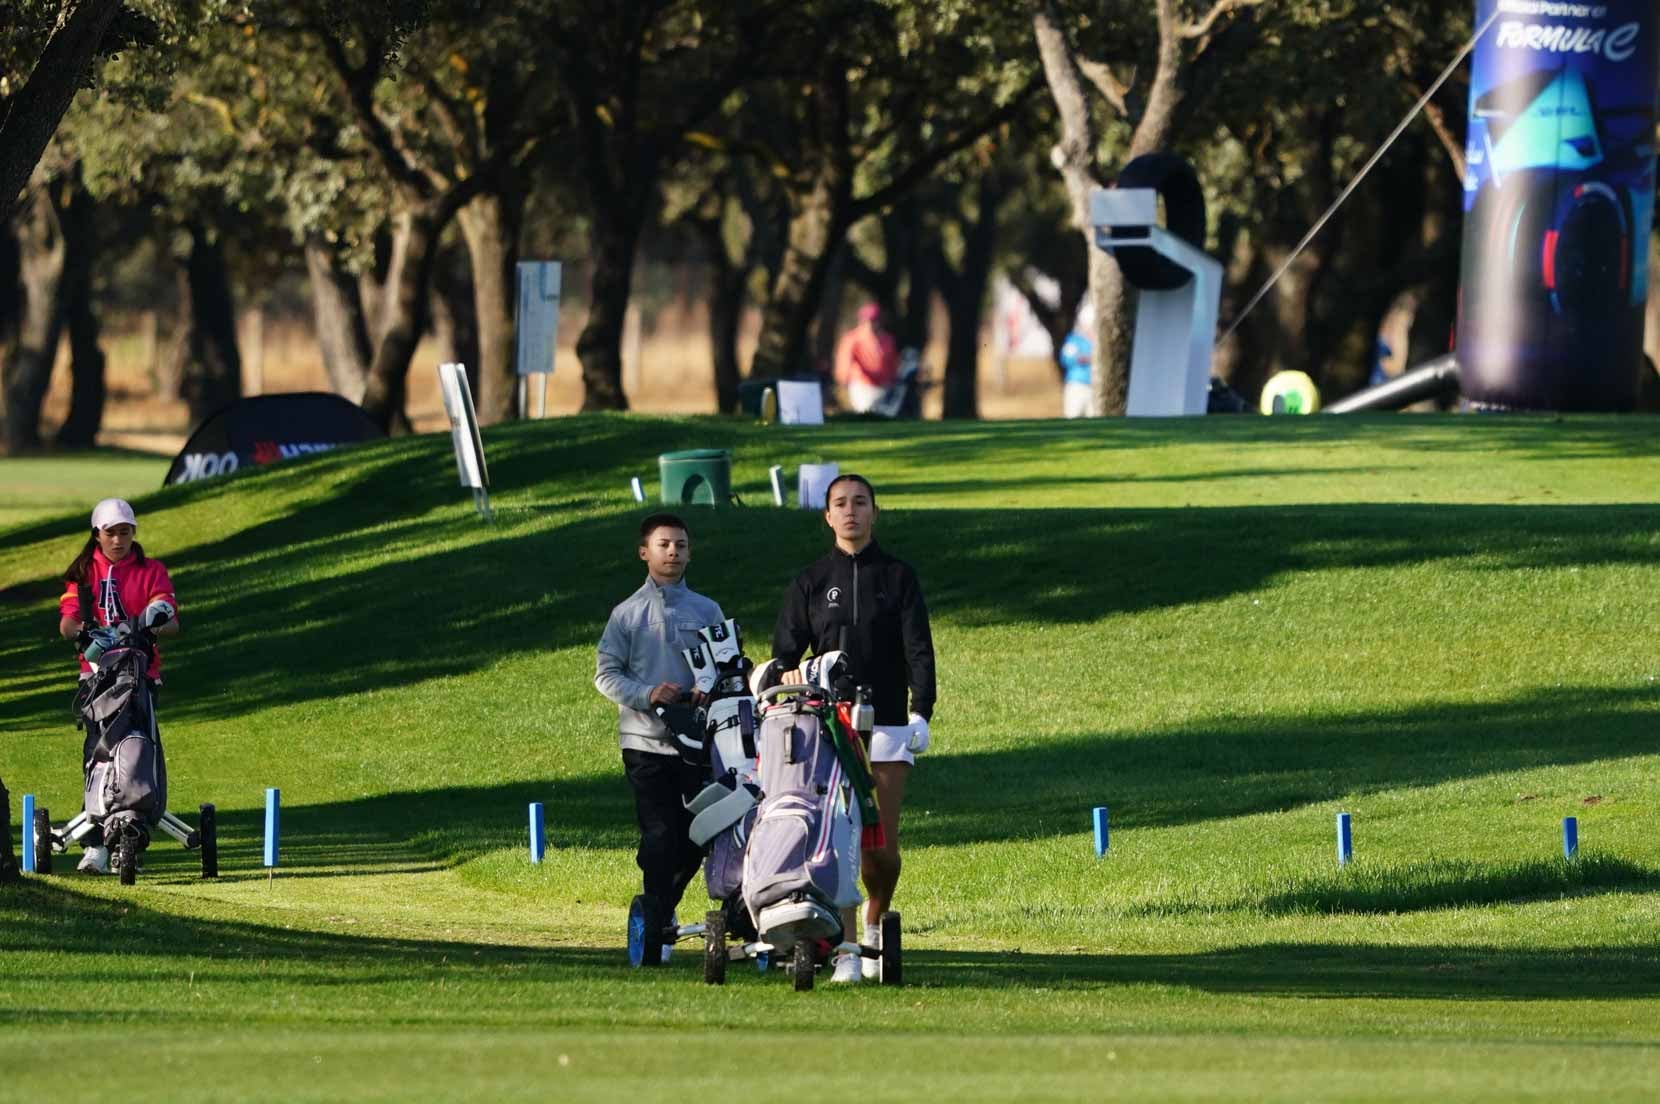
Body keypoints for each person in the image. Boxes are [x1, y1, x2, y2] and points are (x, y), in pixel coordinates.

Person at [772, 473, 935, 983]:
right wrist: (788, 674)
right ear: (827, 516)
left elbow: (918, 650)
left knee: (879, 846)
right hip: (826, 727)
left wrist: (920, 712)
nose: (851, 511)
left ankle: (872, 919)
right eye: (840, 504)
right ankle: (844, 950)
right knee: (836, 839)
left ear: (874, 512)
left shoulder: (899, 577)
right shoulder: (812, 581)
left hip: (886, 723)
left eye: (860, 503)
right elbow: (782, 657)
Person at [595, 513, 726, 962]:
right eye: (665, 545)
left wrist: (710, 689)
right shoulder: (626, 615)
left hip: (699, 745)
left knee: (699, 833)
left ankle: (659, 913)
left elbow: (726, 666)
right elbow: (606, 675)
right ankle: (655, 925)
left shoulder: (707, 610)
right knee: (659, 835)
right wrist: (648, 693)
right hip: (645, 743)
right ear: (644, 553)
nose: (673, 552)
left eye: (682, 545)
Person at [56, 498, 180, 874]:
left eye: (125, 532)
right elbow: (67, 622)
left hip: (142, 676)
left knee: (140, 755)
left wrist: (150, 622)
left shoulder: (152, 570)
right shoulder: (82, 574)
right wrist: (82, 633)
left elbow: (171, 621)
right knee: (98, 755)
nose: (118, 540)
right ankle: (96, 846)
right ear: (97, 534)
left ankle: (131, 841)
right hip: (96, 681)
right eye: (111, 533)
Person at [834, 303, 900, 413]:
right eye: (868, 320)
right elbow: (845, 361)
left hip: (883, 386)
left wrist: (893, 379)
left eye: (874, 320)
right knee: (866, 413)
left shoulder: (887, 339)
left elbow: (892, 362)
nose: (871, 324)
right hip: (861, 385)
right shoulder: (852, 338)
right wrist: (843, 379)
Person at [1060, 303, 1095, 419]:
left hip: (1094, 386)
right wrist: (1082, 358)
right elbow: (1065, 359)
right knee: (1073, 416)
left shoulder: (1096, 342)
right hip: (1077, 385)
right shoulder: (1074, 340)